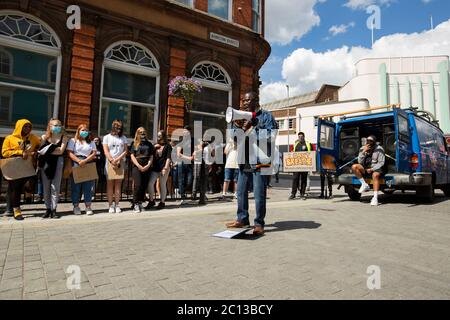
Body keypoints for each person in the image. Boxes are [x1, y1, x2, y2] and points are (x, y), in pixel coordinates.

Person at [225, 91, 278, 235]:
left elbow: (270, 136)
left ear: (257, 100)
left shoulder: (266, 116)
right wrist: (240, 128)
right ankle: (242, 219)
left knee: (259, 193)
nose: (245, 103)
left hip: (261, 160)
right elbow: (235, 140)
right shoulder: (240, 118)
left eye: (248, 100)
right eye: (244, 100)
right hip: (244, 160)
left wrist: (252, 129)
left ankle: (259, 223)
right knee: (241, 191)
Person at [1, 119, 41, 220]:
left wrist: (35, 152)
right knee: (16, 188)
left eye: (29, 127)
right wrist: (19, 152)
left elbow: (39, 146)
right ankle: (16, 210)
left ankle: (28, 193)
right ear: (19, 127)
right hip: (15, 167)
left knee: (31, 183)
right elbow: (4, 152)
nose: (27, 129)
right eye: (25, 126)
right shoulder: (10, 138)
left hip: (28, 166)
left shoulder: (33, 138)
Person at [37, 119, 68, 218]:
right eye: (55, 125)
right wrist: (54, 150)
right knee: (46, 186)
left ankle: (54, 209)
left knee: (55, 186)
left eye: (59, 125)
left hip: (58, 162)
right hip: (46, 163)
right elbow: (40, 151)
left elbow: (61, 151)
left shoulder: (64, 137)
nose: (58, 127)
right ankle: (48, 209)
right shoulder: (44, 137)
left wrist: (48, 150)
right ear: (50, 126)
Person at [67, 124, 97, 215]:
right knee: (76, 186)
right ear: (78, 131)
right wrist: (78, 161)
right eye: (83, 130)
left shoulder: (91, 142)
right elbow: (70, 153)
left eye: (86, 130)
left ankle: (88, 206)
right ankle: (76, 206)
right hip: (77, 162)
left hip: (88, 162)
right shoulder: (73, 140)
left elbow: (94, 153)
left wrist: (85, 160)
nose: (85, 132)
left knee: (88, 187)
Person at [351, 135, 385, 206]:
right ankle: (364, 184)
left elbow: (381, 162)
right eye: (368, 141)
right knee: (354, 166)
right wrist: (363, 151)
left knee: (375, 175)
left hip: (375, 168)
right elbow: (359, 161)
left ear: (374, 142)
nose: (369, 142)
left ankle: (375, 198)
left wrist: (372, 169)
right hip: (365, 168)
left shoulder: (379, 149)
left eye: (371, 141)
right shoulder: (363, 148)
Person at [103, 120, 128, 213]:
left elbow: (125, 150)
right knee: (110, 185)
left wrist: (118, 159)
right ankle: (110, 205)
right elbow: (106, 150)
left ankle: (117, 204)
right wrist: (112, 160)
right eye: (117, 127)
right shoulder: (106, 137)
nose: (118, 129)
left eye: (120, 127)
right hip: (110, 162)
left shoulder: (123, 138)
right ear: (113, 127)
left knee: (118, 185)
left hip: (120, 162)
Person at [130, 127, 154, 213]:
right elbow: (132, 155)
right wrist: (138, 165)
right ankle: (135, 203)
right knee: (138, 185)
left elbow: (151, 156)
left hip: (147, 166)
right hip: (137, 166)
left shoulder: (149, 144)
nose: (142, 133)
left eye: (144, 132)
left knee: (144, 186)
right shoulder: (134, 143)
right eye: (140, 132)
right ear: (137, 133)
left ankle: (140, 202)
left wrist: (148, 165)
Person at [148, 130, 172, 210]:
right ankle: (151, 201)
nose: (158, 137)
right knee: (150, 183)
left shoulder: (168, 146)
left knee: (162, 185)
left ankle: (162, 202)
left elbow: (168, 158)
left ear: (163, 136)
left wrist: (165, 168)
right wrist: (154, 147)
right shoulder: (155, 145)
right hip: (155, 168)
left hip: (163, 168)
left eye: (160, 136)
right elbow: (150, 154)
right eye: (157, 136)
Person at [289, 132, 312, 200]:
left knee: (303, 180)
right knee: (295, 179)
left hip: (305, 166)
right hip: (296, 166)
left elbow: (311, 154)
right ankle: (293, 194)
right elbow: (293, 152)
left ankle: (302, 194)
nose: (300, 138)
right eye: (299, 137)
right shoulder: (296, 144)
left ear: (304, 137)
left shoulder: (307, 144)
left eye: (301, 136)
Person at [177, 126, 194, 203]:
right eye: (185, 131)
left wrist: (195, 153)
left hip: (190, 163)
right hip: (182, 162)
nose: (186, 133)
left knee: (189, 181)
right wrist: (188, 158)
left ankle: (181, 191)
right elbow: (178, 154)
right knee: (182, 179)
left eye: (187, 131)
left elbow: (196, 149)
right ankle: (182, 197)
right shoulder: (181, 140)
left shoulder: (192, 141)